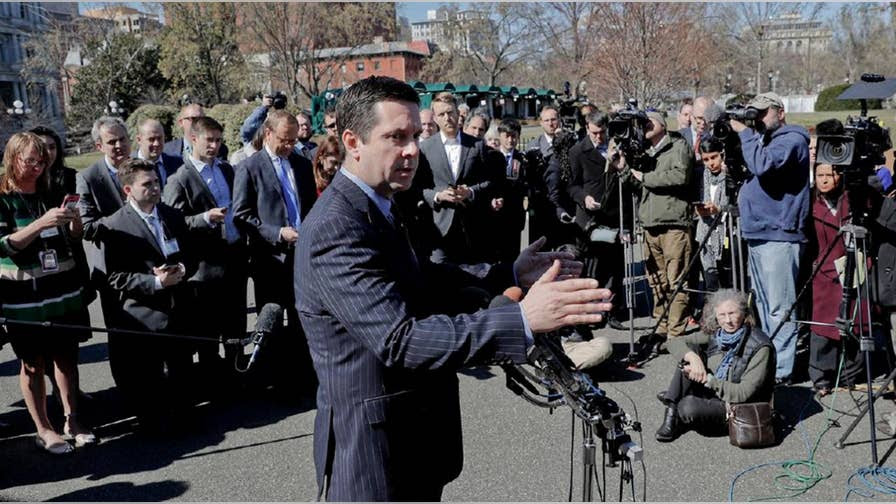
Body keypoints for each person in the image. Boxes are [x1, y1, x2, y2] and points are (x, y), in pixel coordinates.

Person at [294, 75, 612, 501]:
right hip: (374, 456)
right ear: (353, 142)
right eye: (396, 137)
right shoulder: (335, 226)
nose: (412, 150)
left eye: (414, 135)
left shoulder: (380, 201)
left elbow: (422, 278)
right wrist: (521, 319)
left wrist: (509, 274)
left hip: (414, 440)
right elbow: (400, 340)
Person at [0, 132, 95, 453]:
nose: (38, 167)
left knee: (67, 358)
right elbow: (5, 245)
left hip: (62, 289)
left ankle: (72, 420)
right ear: (13, 158)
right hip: (23, 297)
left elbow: (73, 238)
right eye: (31, 161)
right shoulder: (3, 196)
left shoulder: (50, 191)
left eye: (42, 161)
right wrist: (40, 223)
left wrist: (74, 221)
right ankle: (44, 428)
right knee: (32, 363)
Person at [103, 158, 196, 430]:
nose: (155, 188)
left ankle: (185, 416)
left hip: (178, 307)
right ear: (128, 190)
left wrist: (181, 269)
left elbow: (191, 254)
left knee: (181, 368)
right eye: (147, 184)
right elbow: (115, 276)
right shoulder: (116, 225)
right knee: (149, 376)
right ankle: (154, 422)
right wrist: (155, 282)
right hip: (145, 314)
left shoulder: (171, 215)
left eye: (156, 181)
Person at [729, 92, 810, 385]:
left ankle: (782, 372)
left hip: (780, 234)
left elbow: (763, 165)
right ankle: (769, 364)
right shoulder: (764, 139)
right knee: (763, 306)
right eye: (754, 113)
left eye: (763, 112)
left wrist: (745, 133)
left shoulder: (792, 140)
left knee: (779, 307)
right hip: (759, 232)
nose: (758, 118)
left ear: (781, 112)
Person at [162, 117, 248, 387]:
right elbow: (173, 223)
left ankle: (238, 377)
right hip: (204, 269)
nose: (214, 145)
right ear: (193, 139)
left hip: (234, 259)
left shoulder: (226, 170)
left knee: (236, 326)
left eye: (218, 140)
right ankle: (213, 384)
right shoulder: (180, 179)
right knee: (208, 332)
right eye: (209, 140)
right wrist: (204, 218)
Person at [611, 111, 693, 354]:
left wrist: (645, 176)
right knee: (656, 281)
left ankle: (675, 333)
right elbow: (639, 186)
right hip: (649, 224)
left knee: (676, 280)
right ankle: (661, 327)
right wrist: (624, 169)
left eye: (650, 121)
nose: (645, 125)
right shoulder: (645, 152)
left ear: (663, 124)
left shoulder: (678, 145)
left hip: (674, 224)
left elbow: (680, 176)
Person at [232, 110, 317, 334]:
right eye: (284, 140)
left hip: (302, 259)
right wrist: (278, 233)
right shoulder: (249, 167)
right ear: (268, 133)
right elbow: (241, 215)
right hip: (270, 261)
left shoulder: (302, 164)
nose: (289, 146)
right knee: (272, 328)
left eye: (293, 141)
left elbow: (311, 206)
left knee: (303, 324)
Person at [655, 289, 776, 442]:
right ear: (716, 317)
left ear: (744, 313)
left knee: (687, 406)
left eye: (732, 313)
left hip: (738, 407)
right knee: (690, 350)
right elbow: (674, 342)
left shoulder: (760, 347)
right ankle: (672, 410)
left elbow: (743, 394)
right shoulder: (718, 334)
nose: (728, 320)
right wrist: (693, 358)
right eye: (722, 315)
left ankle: (676, 398)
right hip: (717, 390)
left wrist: (708, 380)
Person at [415, 92, 496, 265]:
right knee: (439, 275)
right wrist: (438, 196)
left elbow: (490, 182)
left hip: (472, 226)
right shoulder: (425, 148)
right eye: (441, 114)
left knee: (475, 276)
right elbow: (417, 187)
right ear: (435, 118)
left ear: (458, 114)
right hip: (439, 227)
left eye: (450, 112)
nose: (447, 118)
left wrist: (470, 192)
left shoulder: (477, 145)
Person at [806, 163, 867, 395]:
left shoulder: (852, 200)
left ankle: (849, 374)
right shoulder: (810, 203)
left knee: (855, 323)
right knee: (823, 326)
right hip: (824, 270)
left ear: (840, 176)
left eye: (829, 175)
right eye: (819, 175)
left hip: (853, 267)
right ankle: (821, 377)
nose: (824, 180)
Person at [694, 137, 731, 293]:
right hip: (705, 233)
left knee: (727, 284)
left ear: (722, 155)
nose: (711, 163)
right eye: (706, 160)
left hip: (725, 233)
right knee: (710, 284)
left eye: (714, 157)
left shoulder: (730, 176)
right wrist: (699, 210)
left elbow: (735, 205)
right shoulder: (703, 176)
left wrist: (719, 209)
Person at [164, 103, 229, 164]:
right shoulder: (167, 149)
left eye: (201, 119)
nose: (198, 122)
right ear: (181, 122)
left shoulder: (219, 149)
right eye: (193, 118)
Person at [134, 118, 181, 190]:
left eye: (159, 138)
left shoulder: (178, 163)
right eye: (151, 139)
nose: (156, 143)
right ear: (139, 140)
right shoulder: (128, 166)